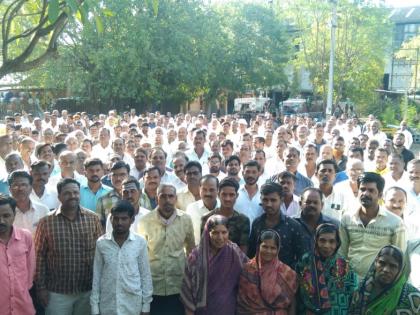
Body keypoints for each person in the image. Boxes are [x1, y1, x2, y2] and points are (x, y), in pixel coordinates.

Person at [35, 178, 103, 315]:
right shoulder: (46, 222)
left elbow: (101, 252)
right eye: (67, 193)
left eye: (76, 192)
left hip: (87, 290)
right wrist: (41, 288)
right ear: (59, 196)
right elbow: (39, 256)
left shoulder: (93, 219)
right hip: (57, 292)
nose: (72, 196)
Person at [137, 184, 195, 315]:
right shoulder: (145, 221)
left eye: (170, 196)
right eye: (163, 196)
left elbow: (191, 249)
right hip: (153, 285)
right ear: (157, 198)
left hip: (178, 284)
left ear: (176, 198)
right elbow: (141, 254)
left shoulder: (185, 219)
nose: (167, 200)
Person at [339, 172, 406, 279]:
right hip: (350, 281)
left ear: (380, 195)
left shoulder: (395, 223)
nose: (365, 193)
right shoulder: (347, 218)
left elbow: (400, 258)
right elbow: (341, 253)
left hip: (378, 283)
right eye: (362, 189)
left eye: (371, 190)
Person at [91, 200, 153, 315]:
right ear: (111, 219)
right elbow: (97, 276)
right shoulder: (102, 243)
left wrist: (146, 307)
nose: (119, 222)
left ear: (132, 220)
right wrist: (95, 307)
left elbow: (145, 275)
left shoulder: (140, 243)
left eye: (124, 219)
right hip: (108, 306)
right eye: (116, 218)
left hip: (132, 306)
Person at [181, 215, 248, 315]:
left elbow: (249, 270)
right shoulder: (196, 256)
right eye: (215, 232)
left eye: (224, 232)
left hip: (228, 309)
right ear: (208, 233)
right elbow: (188, 288)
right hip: (203, 311)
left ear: (228, 232)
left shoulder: (234, 252)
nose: (220, 237)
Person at [296, 223, 358, 314]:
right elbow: (299, 292)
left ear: (337, 243)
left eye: (332, 241)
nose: (326, 245)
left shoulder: (344, 266)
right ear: (316, 240)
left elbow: (352, 295)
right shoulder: (305, 261)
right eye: (322, 240)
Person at [237, 229, 297, 315]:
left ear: (278, 249)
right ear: (258, 247)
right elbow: (242, 304)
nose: (268, 251)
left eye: (273, 248)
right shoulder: (247, 269)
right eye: (265, 247)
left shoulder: (287, 273)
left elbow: (292, 304)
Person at [248, 182, 306, 269]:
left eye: (273, 200)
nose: (269, 204)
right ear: (261, 199)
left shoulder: (293, 226)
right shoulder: (257, 223)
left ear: (281, 200)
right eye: (265, 200)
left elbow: (302, 258)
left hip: (286, 279)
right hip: (258, 277)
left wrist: (288, 274)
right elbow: (251, 253)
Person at [349, 245, 420, 314]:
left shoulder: (413, 296)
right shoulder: (361, 289)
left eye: (393, 266)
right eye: (382, 263)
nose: (386, 270)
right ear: (376, 262)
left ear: (401, 270)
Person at [0, 193, 36, 315]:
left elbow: (30, 271)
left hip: (23, 307)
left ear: (14, 215)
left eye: (6, 216)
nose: (1, 221)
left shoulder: (25, 237)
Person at [201, 178, 250, 253]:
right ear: (218, 195)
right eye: (224, 194)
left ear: (236, 196)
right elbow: (204, 247)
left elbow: (243, 249)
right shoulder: (207, 218)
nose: (227, 199)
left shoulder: (243, 220)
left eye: (231, 195)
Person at [8, 170, 49, 235]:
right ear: (10, 189)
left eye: (24, 185)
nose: (20, 189)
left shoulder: (43, 210)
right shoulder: (4, 213)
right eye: (15, 185)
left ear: (31, 188)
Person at [186, 175, 220, 244]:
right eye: (204, 189)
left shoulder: (223, 208)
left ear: (218, 190)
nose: (208, 193)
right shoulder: (191, 208)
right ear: (199, 189)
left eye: (211, 190)